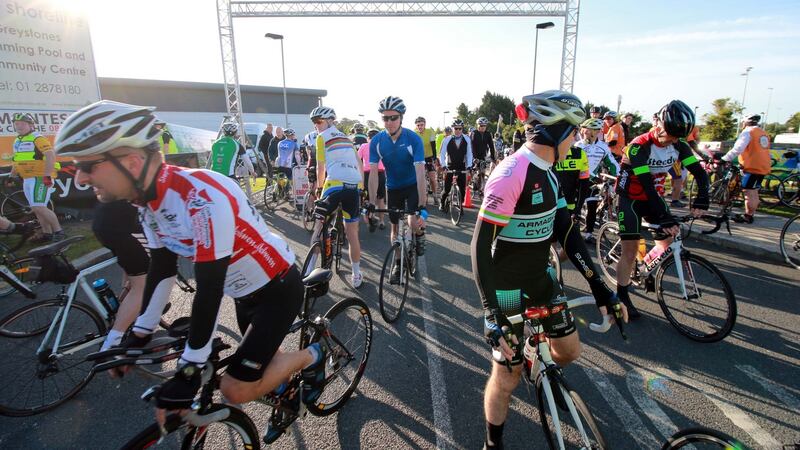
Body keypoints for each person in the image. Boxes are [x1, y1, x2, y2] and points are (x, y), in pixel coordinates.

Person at [55, 100, 324, 444]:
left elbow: (209, 288)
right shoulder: (149, 202)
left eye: (87, 165)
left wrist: (189, 369)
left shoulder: (199, 197)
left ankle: (313, 356)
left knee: (235, 388)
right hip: (243, 292)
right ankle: (287, 388)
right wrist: (139, 334)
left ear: (132, 162)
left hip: (276, 288)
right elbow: (162, 269)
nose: (79, 177)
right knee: (262, 359)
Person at [471, 90, 626, 450]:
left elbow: (568, 233)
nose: (577, 140)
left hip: (541, 280)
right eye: (573, 132)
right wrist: (492, 312)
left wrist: (602, 289)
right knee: (506, 378)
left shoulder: (550, 174)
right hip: (506, 290)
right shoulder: (511, 173)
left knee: (569, 351)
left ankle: (532, 354)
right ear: (556, 132)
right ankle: (492, 443)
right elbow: (479, 247)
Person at [615, 100, 710, 318]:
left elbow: (699, 172)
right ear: (660, 126)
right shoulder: (639, 146)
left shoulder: (679, 145)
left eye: (679, 137)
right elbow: (646, 186)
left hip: (653, 196)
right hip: (630, 198)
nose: (674, 141)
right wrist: (665, 216)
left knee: (668, 240)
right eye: (672, 135)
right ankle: (621, 296)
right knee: (629, 250)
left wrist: (702, 199)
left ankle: (644, 268)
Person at [367, 96, 427, 284]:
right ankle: (398, 263)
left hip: (412, 185)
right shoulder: (376, 141)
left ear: (401, 118)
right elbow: (373, 175)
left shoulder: (413, 139)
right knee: (394, 228)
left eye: (393, 117)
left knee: (412, 221)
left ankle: (419, 235)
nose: (389, 122)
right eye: (385, 118)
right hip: (393, 188)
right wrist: (371, 202)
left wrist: (422, 205)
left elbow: (420, 174)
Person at [310, 106, 365, 288]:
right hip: (353, 186)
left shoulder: (321, 137)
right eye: (314, 122)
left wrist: (319, 189)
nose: (316, 125)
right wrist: (362, 187)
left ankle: (309, 270)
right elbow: (359, 164)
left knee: (319, 226)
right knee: (352, 233)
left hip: (333, 185)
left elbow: (321, 167)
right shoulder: (348, 139)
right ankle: (356, 274)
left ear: (330, 121)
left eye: (319, 121)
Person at [91, 200, 151, 352]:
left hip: (105, 222)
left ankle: (127, 305)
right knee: (143, 287)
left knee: (134, 269)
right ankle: (112, 344)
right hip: (124, 225)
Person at [10, 112, 64, 242]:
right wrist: (12, 176)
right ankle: (47, 234)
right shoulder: (17, 141)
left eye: (22, 124)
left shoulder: (37, 138)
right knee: (36, 209)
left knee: (40, 207)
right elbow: (16, 160)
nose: (19, 126)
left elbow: (50, 155)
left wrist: (47, 175)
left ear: (31, 125)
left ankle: (59, 232)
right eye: (17, 124)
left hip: (40, 177)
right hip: (27, 179)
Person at [721, 114, 771, 224]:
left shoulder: (748, 132)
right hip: (763, 165)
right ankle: (750, 214)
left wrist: (724, 159)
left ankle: (748, 216)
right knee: (754, 191)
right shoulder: (763, 133)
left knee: (749, 192)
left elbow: (738, 148)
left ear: (745, 122)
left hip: (752, 166)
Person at [575, 118, 619, 243]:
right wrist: (591, 176)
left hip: (591, 182)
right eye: (583, 129)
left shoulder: (603, 147)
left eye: (587, 130)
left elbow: (612, 163)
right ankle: (573, 233)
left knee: (592, 208)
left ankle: (589, 234)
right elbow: (574, 167)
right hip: (577, 181)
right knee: (575, 209)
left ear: (596, 131)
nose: (584, 132)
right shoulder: (578, 146)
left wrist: (620, 175)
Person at [439, 119, 473, 210]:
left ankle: (460, 205)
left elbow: (469, 154)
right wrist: (443, 166)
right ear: (453, 129)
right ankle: (442, 202)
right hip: (449, 166)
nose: (458, 130)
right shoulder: (447, 139)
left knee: (462, 189)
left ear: (462, 129)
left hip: (461, 166)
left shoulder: (467, 139)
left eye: (459, 128)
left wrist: (469, 166)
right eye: (456, 128)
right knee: (446, 189)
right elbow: (442, 154)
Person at [358, 129, 386, 229]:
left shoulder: (363, 146)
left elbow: (357, 159)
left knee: (367, 199)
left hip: (367, 173)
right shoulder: (382, 146)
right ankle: (382, 221)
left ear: (367, 138)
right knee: (380, 198)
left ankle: (369, 220)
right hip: (380, 172)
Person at [414, 117, 439, 206]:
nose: (420, 127)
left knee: (432, 178)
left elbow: (433, 146)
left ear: (425, 124)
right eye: (418, 125)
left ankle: (435, 196)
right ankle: (422, 196)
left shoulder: (430, 132)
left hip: (429, 157)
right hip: (419, 158)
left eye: (422, 125)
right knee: (420, 179)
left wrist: (434, 158)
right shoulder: (414, 133)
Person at [470, 117, 497, 194]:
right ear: (477, 125)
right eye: (481, 125)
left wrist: (493, 158)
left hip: (482, 156)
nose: (483, 127)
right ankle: (471, 182)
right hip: (473, 155)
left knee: (482, 172)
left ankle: (480, 188)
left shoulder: (488, 134)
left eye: (484, 126)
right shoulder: (474, 133)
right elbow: (472, 146)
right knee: (474, 171)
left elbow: (491, 146)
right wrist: (474, 157)